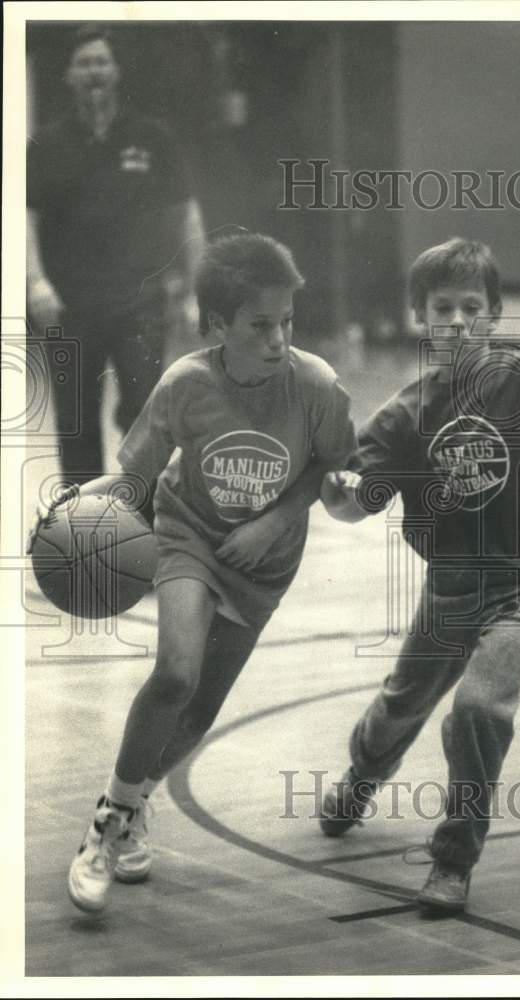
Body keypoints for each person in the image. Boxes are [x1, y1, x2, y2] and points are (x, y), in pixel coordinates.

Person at [318, 238, 520, 914]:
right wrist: (333, 490)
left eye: (473, 307)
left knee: (476, 707)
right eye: (443, 308)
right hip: (453, 587)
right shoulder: (404, 415)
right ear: (419, 315)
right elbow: (353, 505)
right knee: (395, 712)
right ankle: (362, 773)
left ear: (494, 313)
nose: (458, 322)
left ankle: (452, 860)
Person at [31, 232, 356, 913]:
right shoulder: (186, 385)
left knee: (203, 704)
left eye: (286, 323)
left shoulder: (316, 386)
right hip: (188, 537)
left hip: (263, 562)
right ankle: (106, 829)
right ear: (215, 326)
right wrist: (80, 503)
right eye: (260, 325)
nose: (277, 338)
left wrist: (274, 521)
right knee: (176, 673)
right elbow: (136, 477)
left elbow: (330, 465)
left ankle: (134, 800)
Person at [27, 22, 205, 491]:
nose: (93, 72)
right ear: (68, 75)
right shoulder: (46, 143)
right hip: (70, 305)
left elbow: (186, 215)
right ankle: (81, 532)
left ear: (117, 71)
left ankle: (141, 523)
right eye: (83, 63)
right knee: (75, 420)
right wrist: (35, 283)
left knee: (145, 417)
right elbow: (25, 218)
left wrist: (196, 291)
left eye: (101, 62)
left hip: (140, 302)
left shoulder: (151, 137)